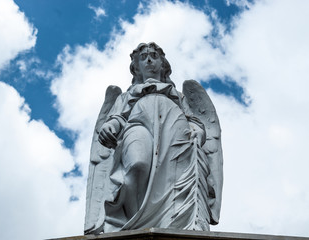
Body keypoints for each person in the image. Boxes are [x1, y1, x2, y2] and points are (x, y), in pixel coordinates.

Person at [85, 42, 223, 234]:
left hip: (176, 130)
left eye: (153, 56)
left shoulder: (178, 95)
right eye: (143, 57)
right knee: (137, 165)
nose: (149, 60)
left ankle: (175, 222)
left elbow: (193, 119)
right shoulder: (125, 97)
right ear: (136, 66)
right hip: (137, 125)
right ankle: (132, 224)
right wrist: (110, 126)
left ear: (162, 63)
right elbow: (117, 117)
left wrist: (197, 130)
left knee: (178, 176)